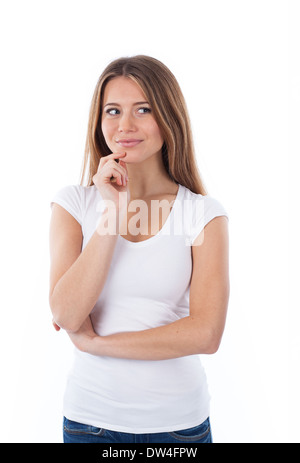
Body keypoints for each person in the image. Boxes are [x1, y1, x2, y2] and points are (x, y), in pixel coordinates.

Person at [49, 55, 230, 444]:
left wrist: (99, 344)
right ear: (99, 121)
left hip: (179, 427)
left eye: (143, 110)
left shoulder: (203, 214)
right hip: (89, 423)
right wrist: (111, 212)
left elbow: (206, 333)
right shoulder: (74, 205)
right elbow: (65, 311)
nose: (125, 126)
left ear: (168, 117)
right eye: (112, 110)